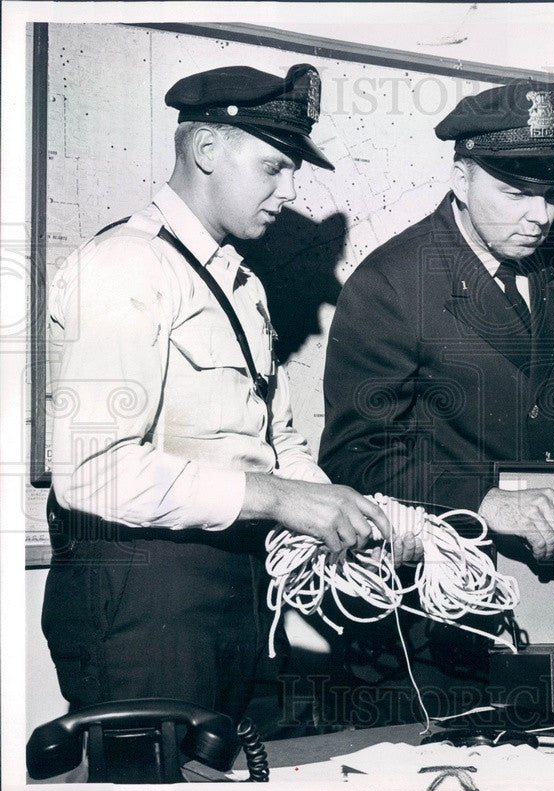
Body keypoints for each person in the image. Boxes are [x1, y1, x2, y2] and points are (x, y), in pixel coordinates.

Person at [42, 63, 420, 728]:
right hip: (142, 603)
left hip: (239, 593)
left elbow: (269, 439)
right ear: (207, 151)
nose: (289, 190)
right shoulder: (126, 266)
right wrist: (280, 498)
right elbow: (91, 474)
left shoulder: (240, 283)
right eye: (273, 167)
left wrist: (340, 508)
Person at [318, 79, 554, 722]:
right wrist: (483, 499)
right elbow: (354, 457)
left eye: (552, 194)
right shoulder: (392, 284)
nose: (541, 216)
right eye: (517, 193)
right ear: (461, 179)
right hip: (443, 613)